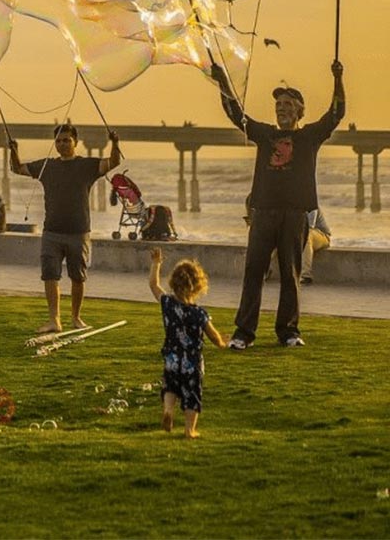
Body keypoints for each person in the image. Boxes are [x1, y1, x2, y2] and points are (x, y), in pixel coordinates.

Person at [211, 60, 345, 349]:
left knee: (290, 275)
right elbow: (236, 114)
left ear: (299, 109)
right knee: (253, 273)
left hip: (295, 215)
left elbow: (336, 113)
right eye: (278, 104)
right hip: (264, 213)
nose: (281, 108)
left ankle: (288, 331)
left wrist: (338, 79)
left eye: (287, 103)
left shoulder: (309, 136)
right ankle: (243, 333)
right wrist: (223, 83)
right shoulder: (265, 134)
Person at [9, 122, 121, 335]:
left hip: (78, 231)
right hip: (51, 231)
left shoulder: (87, 165)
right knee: (50, 275)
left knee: (78, 277)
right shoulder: (47, 165)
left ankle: (76, 318)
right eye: (58, 141)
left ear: (75, 142)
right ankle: (54, 320)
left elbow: (113, 162)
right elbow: (17, 168)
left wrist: (115, 143)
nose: (62, 144)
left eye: (66, 140)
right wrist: (13, 152)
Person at [148, 248, 226, 439]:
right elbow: (213, 336)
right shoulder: (199, 313)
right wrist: (223, 343)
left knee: (170, 388)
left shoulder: (167, 304)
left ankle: (168, 410)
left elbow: (153, 285)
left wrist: (156, 263)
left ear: (173, 282)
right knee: (192, 396)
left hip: (172, 359)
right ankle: (189, 430)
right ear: (198, 286)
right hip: (192, 363)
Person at [301, 208, 331, 285]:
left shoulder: (311, 204)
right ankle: (266, 270)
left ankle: (305, 275)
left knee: (307, 235)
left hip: (322, 235)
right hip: (300, 234)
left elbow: (309, 226)